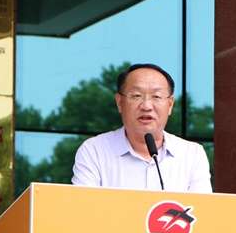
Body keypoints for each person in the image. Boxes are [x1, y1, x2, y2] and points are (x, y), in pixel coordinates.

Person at [71, 63, 212, 193]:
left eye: (156, 96)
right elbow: (84, 208)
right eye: (136, 96)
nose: (146, 106)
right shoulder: (94, 151)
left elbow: (202, 209)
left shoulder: (192, 154)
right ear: (119, 102)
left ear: (170, 105)